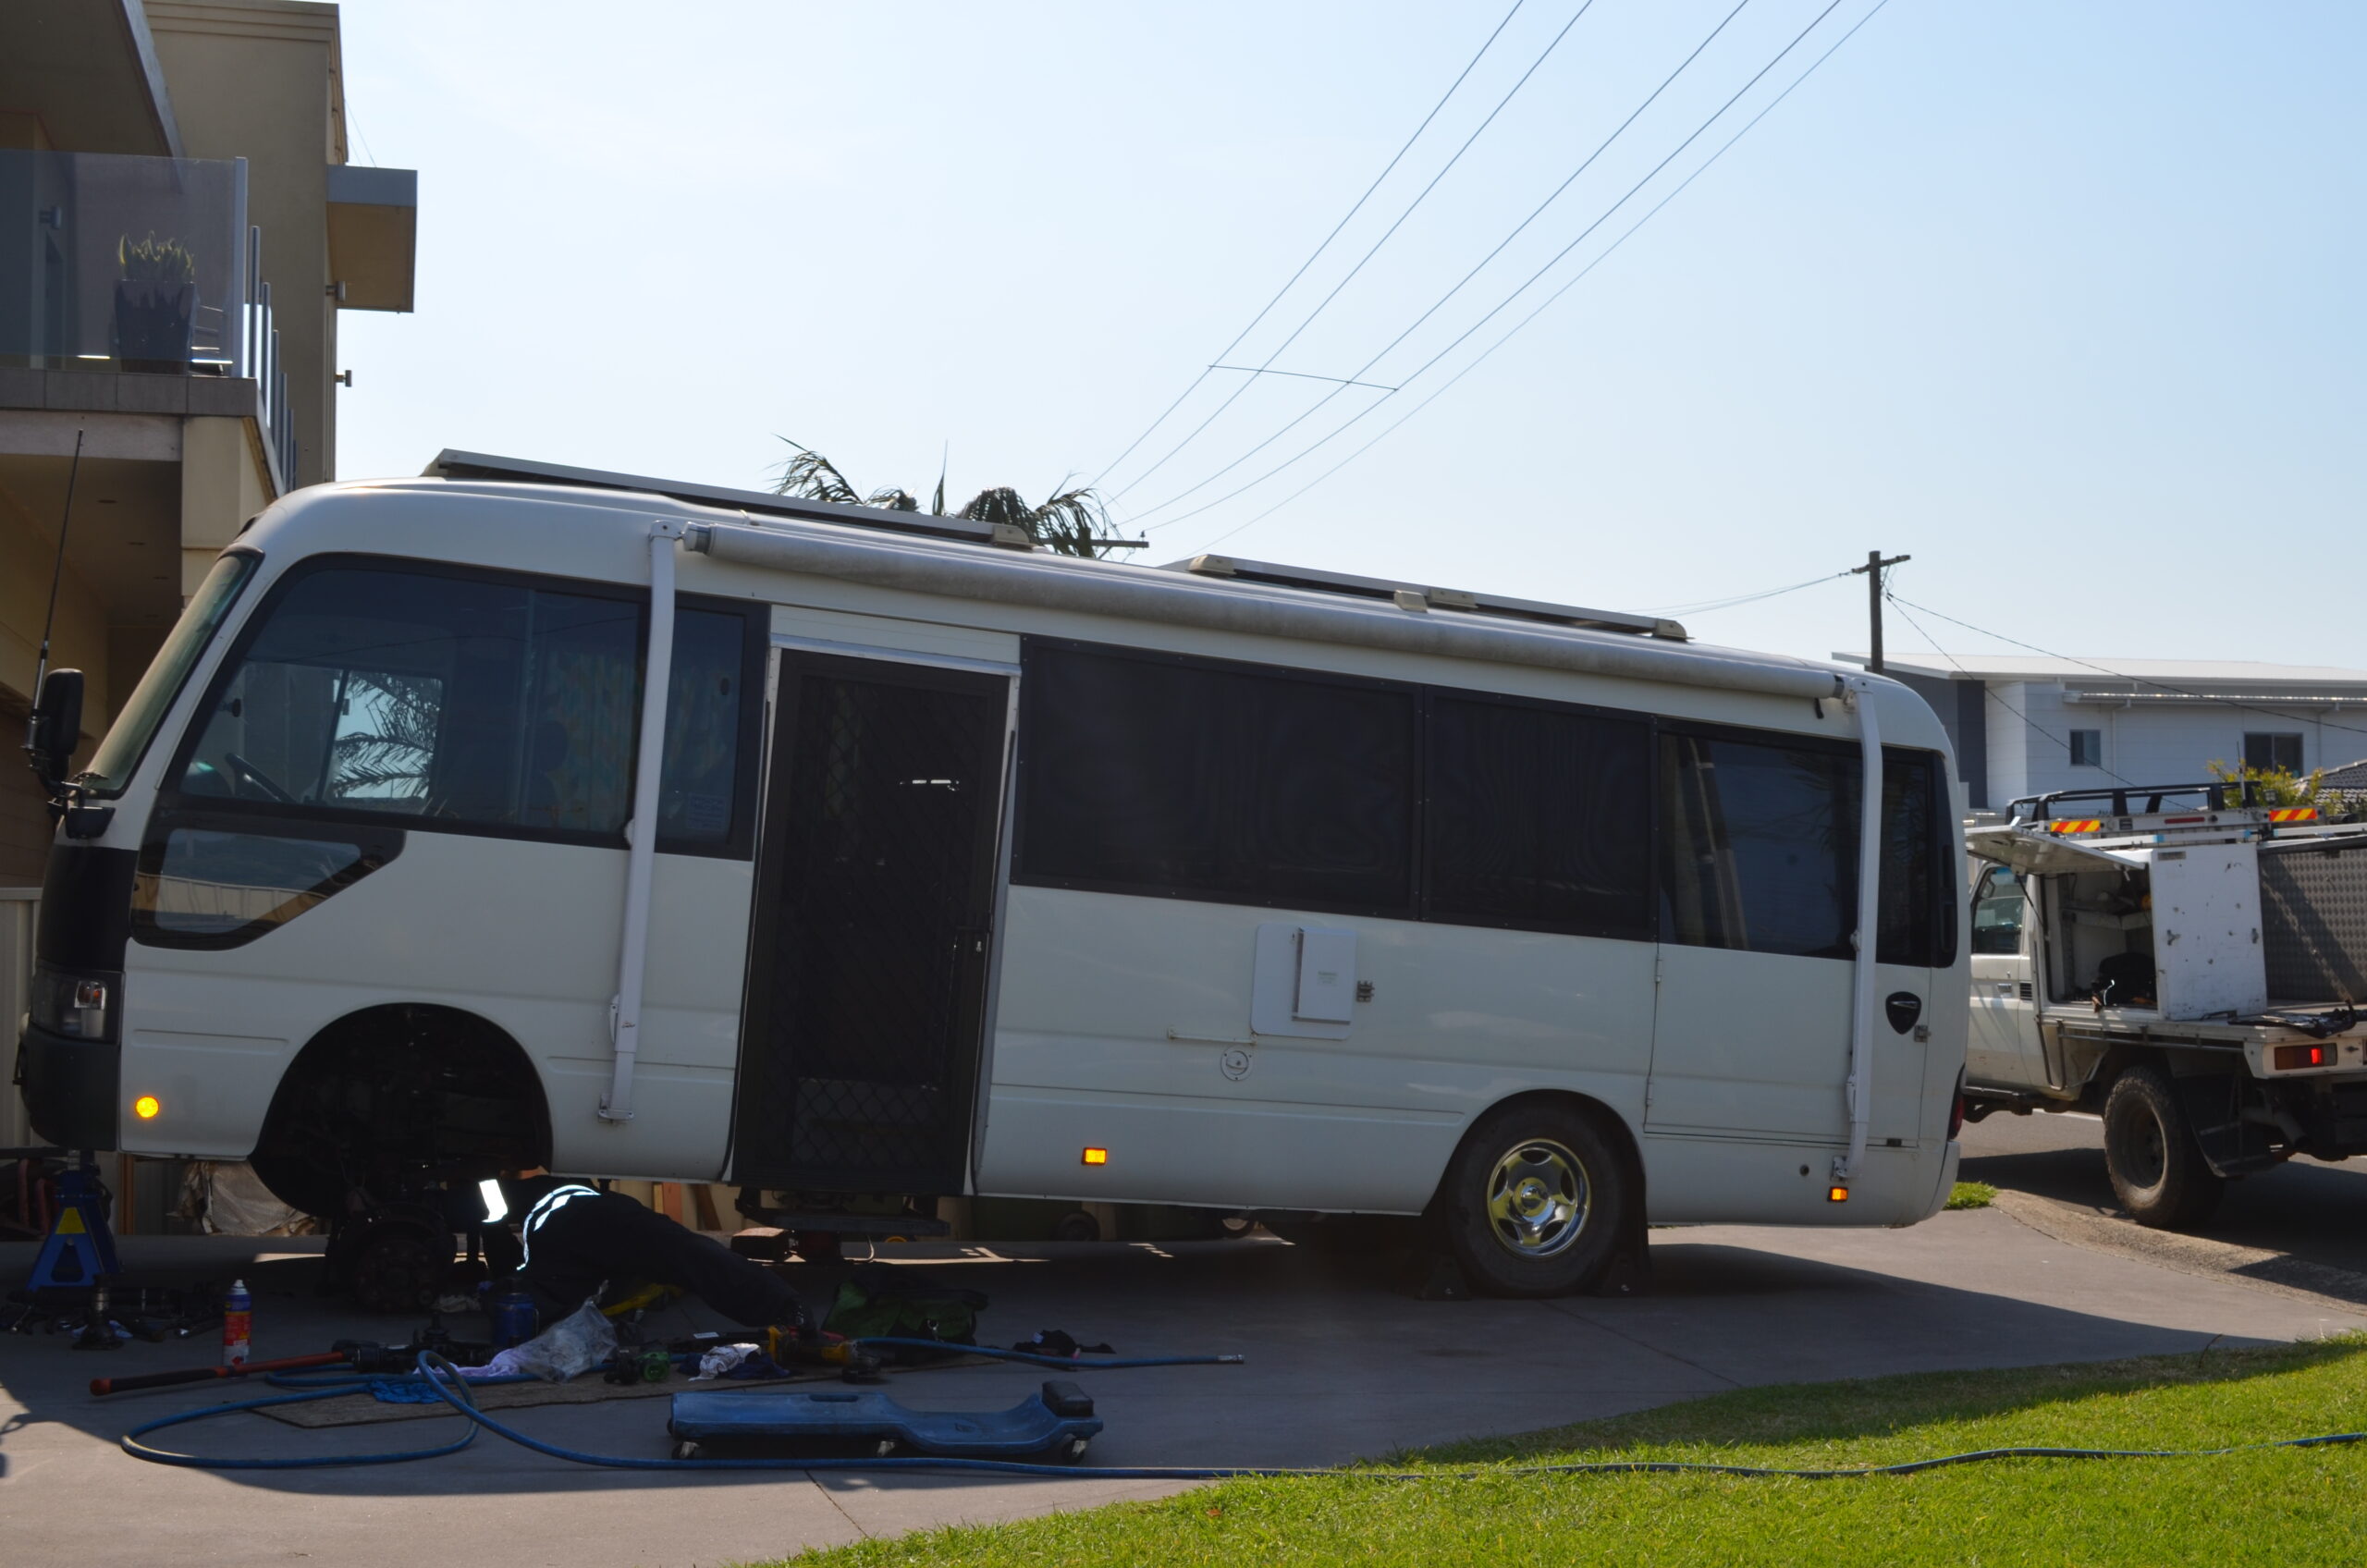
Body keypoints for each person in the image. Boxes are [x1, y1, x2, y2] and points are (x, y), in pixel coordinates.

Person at [484, 1176, 809, 1332]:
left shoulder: (512, 1203)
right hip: (588, 1226)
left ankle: (783, 1307)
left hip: (585, 1219)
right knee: (681, 1251)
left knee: (682, 1252)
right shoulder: (516, 1209)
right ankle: (782, 1307)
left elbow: (513, 1272)